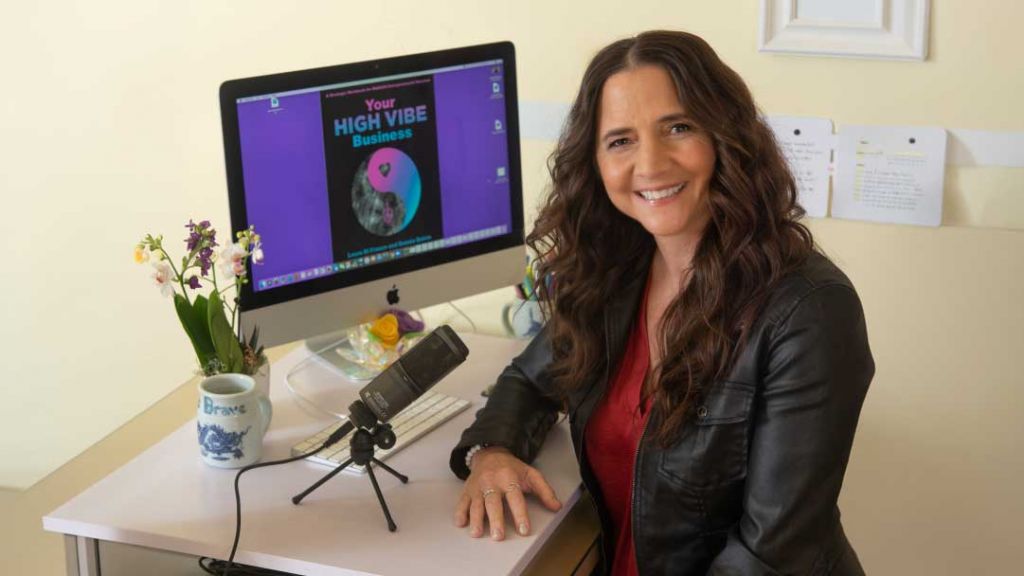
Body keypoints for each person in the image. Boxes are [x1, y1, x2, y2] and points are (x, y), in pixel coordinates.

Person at [450, 30, 874, 575]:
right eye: (620, 140)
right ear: (595, 162)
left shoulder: (809, 310)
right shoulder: (613, 275)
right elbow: (529, 382)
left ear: (725, 137)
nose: (650, 164)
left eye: (678, 127)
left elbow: (770, 556)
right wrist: (491, 454)